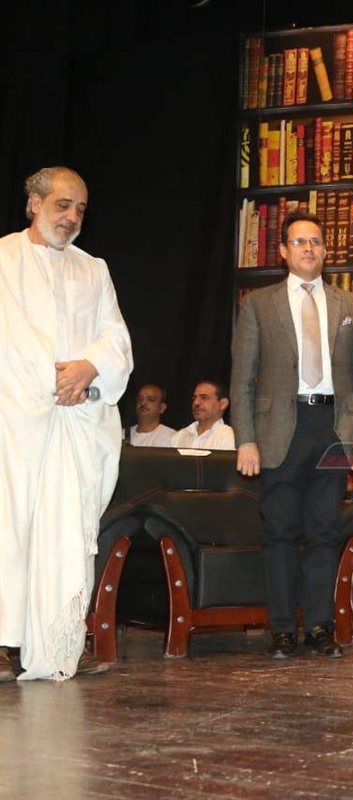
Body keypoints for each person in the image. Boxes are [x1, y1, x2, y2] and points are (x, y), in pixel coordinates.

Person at [0, 166, 133, 681]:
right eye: (62, 205)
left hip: (75, 423)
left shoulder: (92, 270)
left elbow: (116, 338)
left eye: (80, 208)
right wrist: (46, 379)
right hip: (14, 425)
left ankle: (60, 642)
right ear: (34, 204)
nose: (72, 217)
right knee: (10, 532)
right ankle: (6, 641)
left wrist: (88, 368)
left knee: (67, 537)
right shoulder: (5, 259)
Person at [230, 211, 353, 659]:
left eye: (315, 241)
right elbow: (242, 377)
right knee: (279, 531)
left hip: (332, 427)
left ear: (326, 250)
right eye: (299, 241)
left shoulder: (350, 305)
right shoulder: (258, 304)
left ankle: (317, 627)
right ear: (283, 251)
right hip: (278, 430)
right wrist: (245, 439)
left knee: (325, 532)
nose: (308, 248)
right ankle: (282, 630)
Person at [170, 380, 236, 450]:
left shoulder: (229, 436)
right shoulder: (179, 436)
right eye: (194, 398)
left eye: (204, 397)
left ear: (223, 404)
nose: (196, 402)